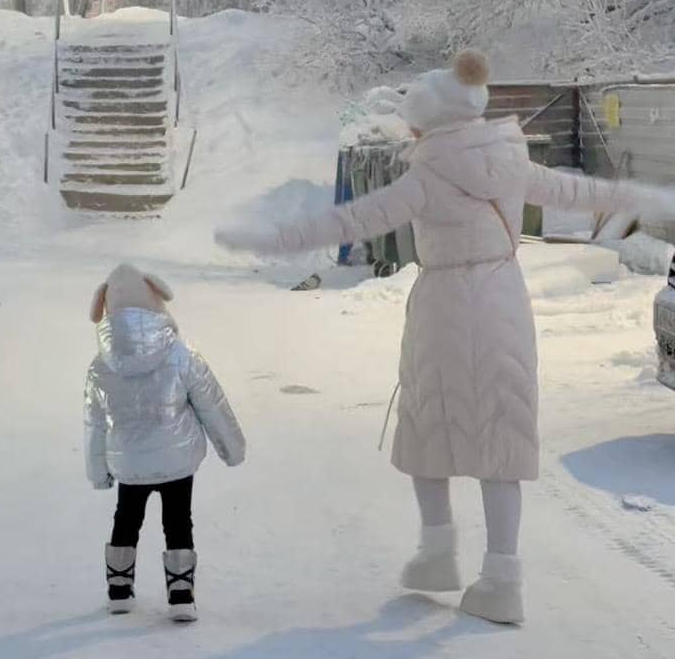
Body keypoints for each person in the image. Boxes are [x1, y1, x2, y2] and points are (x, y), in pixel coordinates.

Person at [215, 50, 675, 625]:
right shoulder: (512, 162)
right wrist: (653, 198)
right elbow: (585, 196)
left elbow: (349, 221)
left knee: (430, 421)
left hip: (443, 305)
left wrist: (263, 238)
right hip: (504, 298)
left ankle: (437, 553)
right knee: (502, 434)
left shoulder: (427, 176)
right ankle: (502, 578)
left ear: (430, 120)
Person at [84, 263, 246, 622]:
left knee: (125, 519)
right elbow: (211, 403)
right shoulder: (181, 354)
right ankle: (181, 594)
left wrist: (98, 473)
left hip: (129, 465)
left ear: (106, 308)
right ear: (156, 301)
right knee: (178, 521)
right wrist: (232, 448)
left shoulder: (100, 366)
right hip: (177, 459)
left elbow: (94, 424)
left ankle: (119, 591)